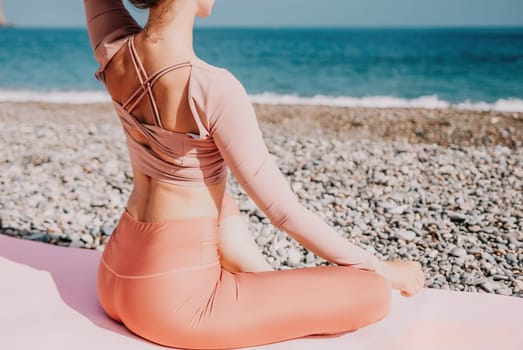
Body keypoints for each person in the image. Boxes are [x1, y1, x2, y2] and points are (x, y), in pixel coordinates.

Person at [83, 0, 425, 349]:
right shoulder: (212, 86)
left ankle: (261, 275)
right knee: (372, 292)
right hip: (174, 307)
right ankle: (268, 287)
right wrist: (382, 268)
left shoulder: (113, 46)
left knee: (213, 188)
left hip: (113, 278)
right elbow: (284, 212)